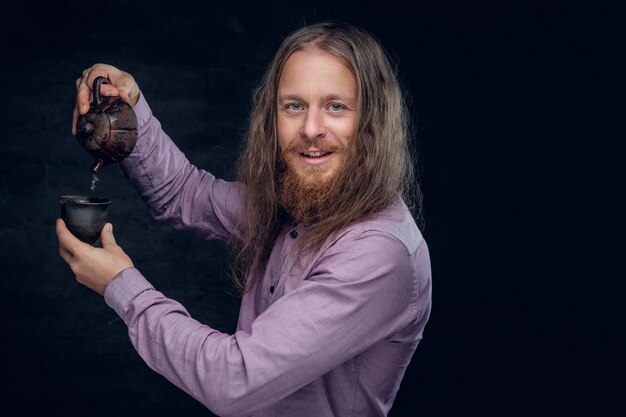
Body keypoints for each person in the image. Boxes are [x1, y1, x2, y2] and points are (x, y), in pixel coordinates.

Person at [56, 21, 432, 417]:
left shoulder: (379, 252)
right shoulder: (300, 201)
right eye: (294, 106)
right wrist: (128, 105)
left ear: (373, 121)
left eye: (335, 107)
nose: (310, 129)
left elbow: (233, 379)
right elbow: (184, 194)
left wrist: (121, 286)